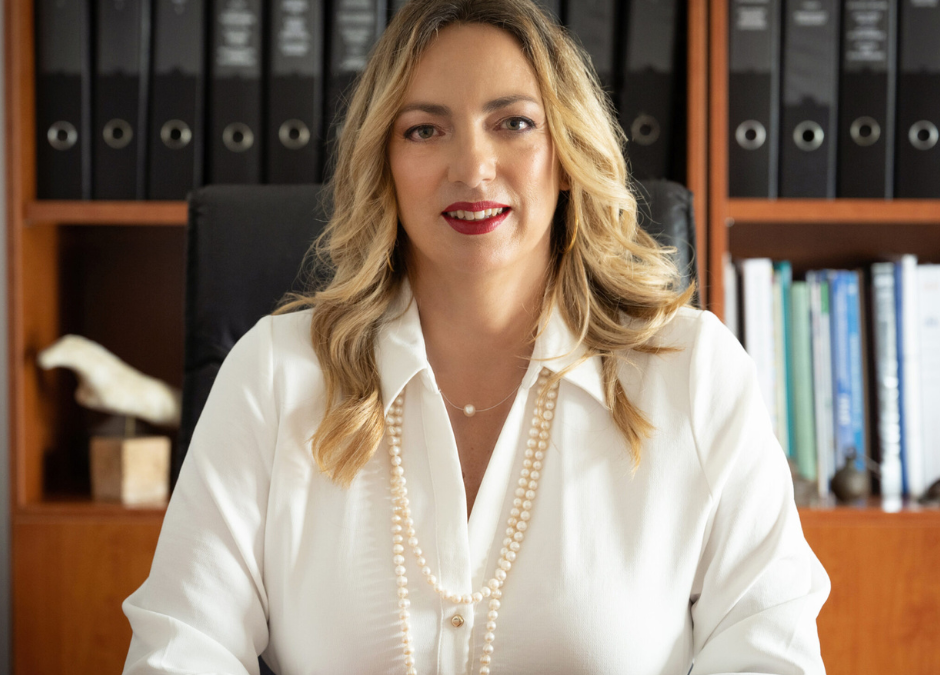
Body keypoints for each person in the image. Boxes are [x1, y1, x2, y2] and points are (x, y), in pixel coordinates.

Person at [122, 1, 830, 673]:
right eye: (424, 130)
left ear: (567, 153)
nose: (471, 168)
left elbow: (771, 654)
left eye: (514, 123)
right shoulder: (275, 374)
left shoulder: (692, 372)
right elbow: (181, 648)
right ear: (383, 163)